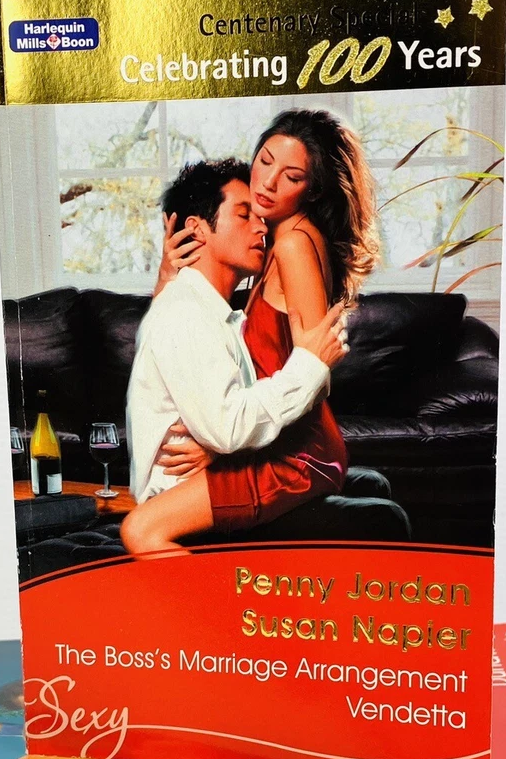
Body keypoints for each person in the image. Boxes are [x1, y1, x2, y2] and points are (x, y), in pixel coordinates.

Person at [125, 109, 379, 554]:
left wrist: (225, 446)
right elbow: (189, 331)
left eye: (292, 176)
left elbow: (315, 372)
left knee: (141, 530)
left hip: (297, 453)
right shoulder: (268, 247)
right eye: (264, 161)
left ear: (312, 188)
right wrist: (168, 278)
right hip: (277, 444)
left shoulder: (293, 243)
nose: (268, 183)